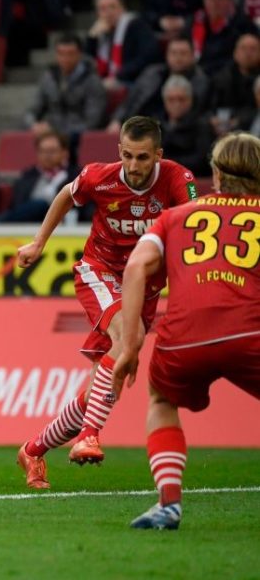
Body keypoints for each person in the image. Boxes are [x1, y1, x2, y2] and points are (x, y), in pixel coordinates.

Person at [14, 116, 197, 490]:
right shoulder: (102, 176)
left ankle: (32, 450)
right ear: (119, 152)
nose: (133, 165)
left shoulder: (179, 180)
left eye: (143, 158)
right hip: (101, 272)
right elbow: (67, 194)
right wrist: (38, 242)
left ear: (158, 155)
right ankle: (89, 435)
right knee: (127, 341)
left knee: (103, 386)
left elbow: (196, 223)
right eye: (127, 156)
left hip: (144, 287)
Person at [112, 132, 260, 530]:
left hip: (185, 335)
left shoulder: (176, 216)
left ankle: (169, 505)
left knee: (161, 400)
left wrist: (129, 345)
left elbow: (135, 268)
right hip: (250, 333)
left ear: (214, 172)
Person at [108, 37, 211, 131]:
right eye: (174, 53)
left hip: (176, 133)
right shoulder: (152, 74)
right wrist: (117, 120)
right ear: (167, 55)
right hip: (138, 127)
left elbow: (198, 114)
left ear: (193, 56)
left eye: (183, 53)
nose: (178, 58)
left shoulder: (200, 81)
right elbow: (129, 101)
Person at [23, 33, 107, 142]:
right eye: (61, 53)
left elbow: (92, 122)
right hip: (51, 137)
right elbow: (32, 110)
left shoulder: (92, 81)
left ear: (80, 54)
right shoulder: (49, 78)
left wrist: (57, 132)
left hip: (79, 140)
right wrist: (34, 124)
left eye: (70, 54)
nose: (65, 58)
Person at [0, 130, 76, 223]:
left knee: (43, 204)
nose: (47, 155)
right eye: (43, 151)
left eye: (52, 151)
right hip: (27, 224)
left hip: (58, 223)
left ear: (65, 152)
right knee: (37, 205)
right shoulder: (27, 176)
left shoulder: (75, 176)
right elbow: (17, 208)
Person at [85, 0, 159, 89]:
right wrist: (91, 38)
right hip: (106, 81)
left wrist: (119, 75)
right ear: (97, 13)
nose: (108, 13)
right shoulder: (99, 31)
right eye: (103, 9)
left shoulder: (136, 25)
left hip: (133, 81)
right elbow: (87, 63)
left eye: (112, 7)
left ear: (122, 8)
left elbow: (148, 56)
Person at [185, 0, 257, 76]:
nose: (215, 3)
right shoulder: (193, 22)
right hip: (196, 74)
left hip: (228, 76)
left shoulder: (243, 25)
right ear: (204, 0)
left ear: (229, 0)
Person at [158, 75, 212, 176]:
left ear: (191, 100)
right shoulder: (157, 125)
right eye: (171, 99)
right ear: (164, 101)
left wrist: (169, 164)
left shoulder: (202, 125)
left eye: (181, 99)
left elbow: (202, 160)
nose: (176, 104)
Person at [208, 32, 260, 135]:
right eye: (243, 48)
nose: (248, 53)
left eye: (253, 49)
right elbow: (208, 107)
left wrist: (239, 120)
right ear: (235, 53)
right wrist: (212, 119)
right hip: (223, 124)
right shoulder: (221, 78)